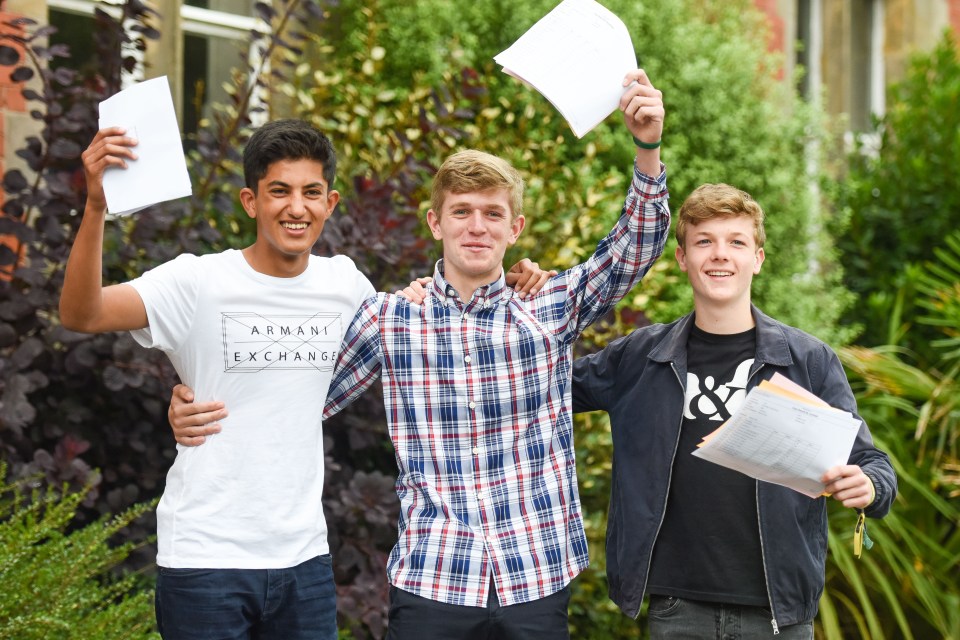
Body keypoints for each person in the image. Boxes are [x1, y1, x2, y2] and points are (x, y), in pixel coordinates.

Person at [168, 68, 669, 639]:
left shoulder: (551, 303)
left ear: (516, 227)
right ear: (436, 222)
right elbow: (298, 389)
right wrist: (193, 401)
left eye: (492, 213)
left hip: (535, 570)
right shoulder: (392, 318)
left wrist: (647, 147)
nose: (476, 226)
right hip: (434, 579)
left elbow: (637, 245)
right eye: (461, 211)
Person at [61, 119, 549, 639]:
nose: (297, 208)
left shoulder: (346, 285)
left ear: (330, 202)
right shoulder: (196, 280)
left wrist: (515, 281)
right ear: (251, 201)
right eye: (279, 192)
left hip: (305, 560)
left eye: (311, 192)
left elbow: (429, 330)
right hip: (205, 557)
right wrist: (95, 208)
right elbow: (82, 313)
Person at [570, 183, 897, 638]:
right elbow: (540, 385)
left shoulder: (808, 361)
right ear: (683, 258)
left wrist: (869, 486)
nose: (719, 254)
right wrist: (516, 305)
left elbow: (872, 465)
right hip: (677, 609)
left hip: (777, 614)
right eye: (704, 241)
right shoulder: (639, 357)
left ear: (757, 259)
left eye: (736, 242)